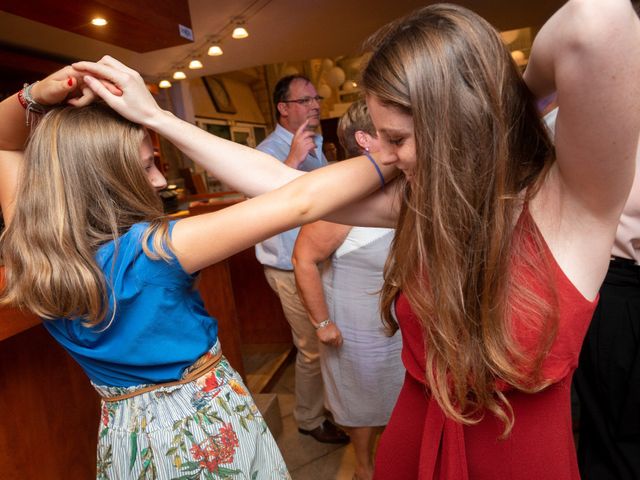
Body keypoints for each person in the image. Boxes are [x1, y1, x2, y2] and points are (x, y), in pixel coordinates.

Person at [0, 63, 395, 478]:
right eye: (147, 166)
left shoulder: (35, 249)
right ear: (106, 180)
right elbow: (301, 201)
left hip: (126, 433)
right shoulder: (154, 250)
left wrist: (36, 95)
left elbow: (6, 146)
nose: (158, 181)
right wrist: (396, 150)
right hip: (203, 428)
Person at [352, 2, 639, 479]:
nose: (383, 155)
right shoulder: (430, 206)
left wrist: (505, 107)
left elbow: (598, 18)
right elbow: (288, 194)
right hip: (415, 447)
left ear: (450, 126)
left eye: (396, 139)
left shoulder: (568, 212)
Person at [292, 100, 403, 480]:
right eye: (387, 131)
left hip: (396, 317)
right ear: (365, 139)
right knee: (360, 396)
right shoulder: (344, 194)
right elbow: (303, 258)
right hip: (354, 323)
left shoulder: (400, 182)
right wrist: (322, 323)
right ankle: (364, 466)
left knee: (396, 390)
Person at [254, 75, 349, 444]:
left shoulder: (317, 144)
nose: (315, 105)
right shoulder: (266, 153)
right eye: (305, 99)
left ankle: (329, 407)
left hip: (314, 261)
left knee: (324, 344)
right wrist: (291, 161)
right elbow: (264, 210)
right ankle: (309, 420)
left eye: (317, 98)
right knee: (311, 346)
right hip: (288, 267)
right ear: (284, 108)